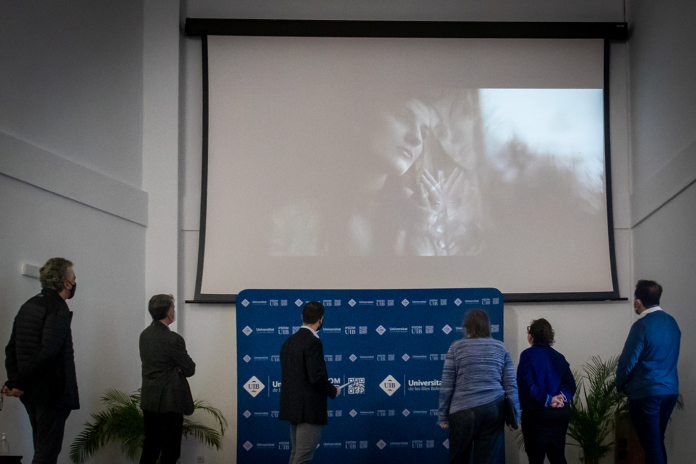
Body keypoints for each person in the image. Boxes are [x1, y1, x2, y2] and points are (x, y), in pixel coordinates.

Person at [3, 257, 80, 464]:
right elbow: (48, 352)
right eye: (73, 278)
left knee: (41, 448)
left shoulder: (28, 305)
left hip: (30, 393)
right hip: (52, 392)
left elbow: (10, 350)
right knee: (47, 454)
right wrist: (18, 383)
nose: (75, 282)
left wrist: (16, 383)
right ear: (66, 283)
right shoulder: (58, 308)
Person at [438, 309, 518, 464]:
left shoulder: (456, 347)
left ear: (467, 327)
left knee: (458, 460)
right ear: (487, 327)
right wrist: (514, 416)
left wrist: (443, 415)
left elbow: (447, 384)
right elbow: (510, 384)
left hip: (463, 410)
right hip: (494, 409)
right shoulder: (500, 347)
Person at [617, 280, 680, 464]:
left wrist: (620, 386)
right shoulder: (672, 323)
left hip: (646, 393)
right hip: (670, 392)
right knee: (657, 443)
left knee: (651, 446)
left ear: (638, 302)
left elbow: (627, 362)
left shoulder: (641, 326)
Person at [279, 301, 340, 464]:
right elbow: (316, 377)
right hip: (309, 410)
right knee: (303, 456)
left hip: (293, 407)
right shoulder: (313, 342)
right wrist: (333, 390)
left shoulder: (288, 342)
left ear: (302, 317)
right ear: (321, 319)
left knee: (296, 454)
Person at [139, 294, 196, 464]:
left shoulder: (144, 335)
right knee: (170, 452)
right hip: (170, 402)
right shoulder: (173, 339)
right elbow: (189, 369)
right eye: (173, 308)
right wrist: (176, 367)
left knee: (150, 448)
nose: (174, 311)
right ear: (169, 312)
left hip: (149, 401)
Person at [517, 319, 576, 464]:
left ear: (531, 335)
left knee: (536, 459)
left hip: (537, 416)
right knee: (558, 458)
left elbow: (527, 384)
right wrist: (562, 397)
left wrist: (548, 400)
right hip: (559, 416)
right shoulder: (559, 357)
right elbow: (571, 385)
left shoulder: (527, 355)